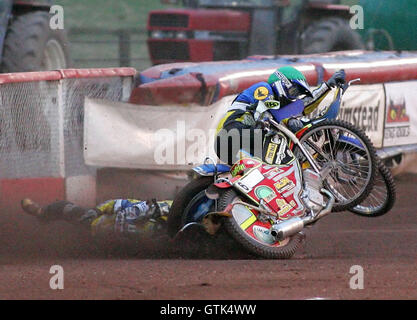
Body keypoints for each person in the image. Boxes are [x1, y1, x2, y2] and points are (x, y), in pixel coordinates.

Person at [215, 66, 346, 165]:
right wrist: (291, 121)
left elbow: (302, 106)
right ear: (282, 83)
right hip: (230, 133)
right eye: (293, 91)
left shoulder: (279, 105)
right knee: (278, 139)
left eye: (297, 94)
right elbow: (271, 113)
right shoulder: (264, 88)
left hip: (243, 140)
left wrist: (328, 86)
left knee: (282, 143)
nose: (294, 96)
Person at [20, 197, 171, 240]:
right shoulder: (150, 209)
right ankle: (41, 212)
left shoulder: (168, 237)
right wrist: (96, 211)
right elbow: (117, 204)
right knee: (65, 208)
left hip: (106, 243)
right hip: (95, 224)